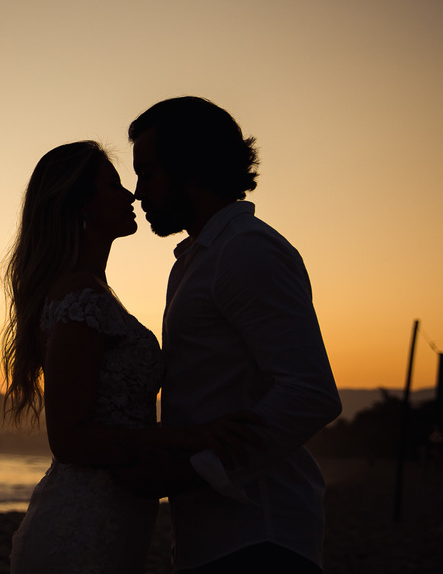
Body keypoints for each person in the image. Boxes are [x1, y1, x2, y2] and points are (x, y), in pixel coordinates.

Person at [2, 141, 260, 574]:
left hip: (114, 520)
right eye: (114, 185)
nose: (132, 195)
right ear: (82, 204)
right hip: (82, 527)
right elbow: (70, 439)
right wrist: (190, 438)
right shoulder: (81, 297)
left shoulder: (92, 293)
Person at [129, 97, 343, 573]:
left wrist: (189, 472)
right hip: (213, 537)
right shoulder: (197, 260)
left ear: (191, 169)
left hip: (259, 537)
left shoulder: (247, 252)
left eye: (147, 172)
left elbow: (311, 394)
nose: (138, 192)